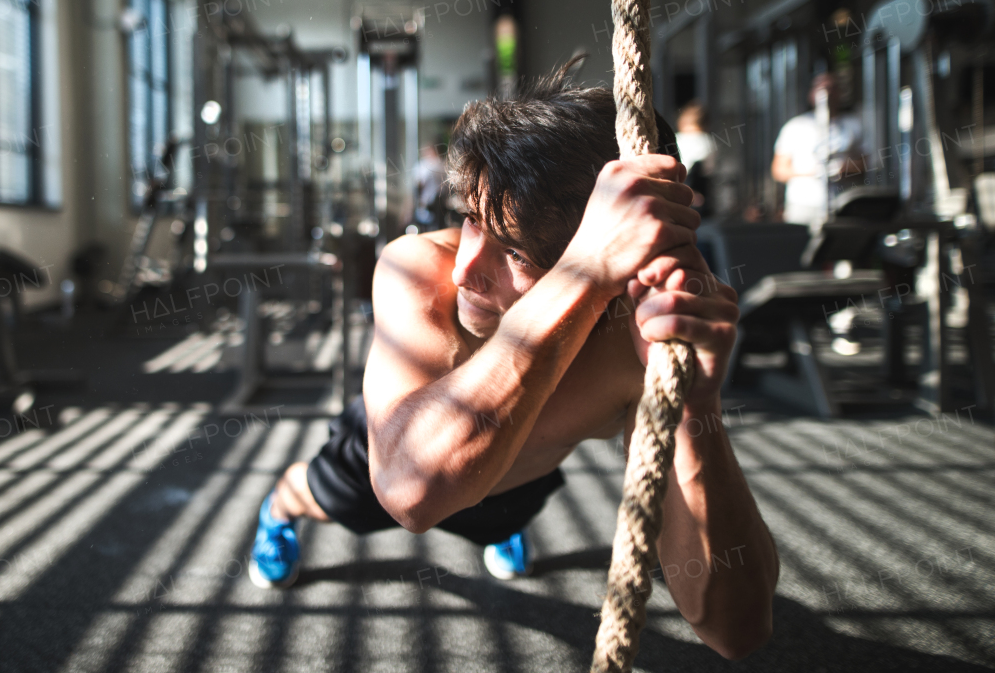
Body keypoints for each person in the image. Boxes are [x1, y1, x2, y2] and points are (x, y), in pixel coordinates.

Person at [249, 60, 778, 660]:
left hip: (517, 482)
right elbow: (410, 493)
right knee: (312, 494)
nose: (467, 267)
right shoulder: (416, 267)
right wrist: (581, 270)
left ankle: (500, 525)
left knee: (500, 516)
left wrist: (694, 406)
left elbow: (734, 630)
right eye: (471, 219)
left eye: (517, 252)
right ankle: (276, 511)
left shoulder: (636, 341)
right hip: (396, 442)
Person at [771, 73, 863, 227]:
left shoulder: (853, 125)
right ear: (811, 94)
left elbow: (868, 163)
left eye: (831, 88)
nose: (826, 94)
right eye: (820, 88)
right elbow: (778, 170)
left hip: (842, 203)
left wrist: (843, 169)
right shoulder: (796, 126)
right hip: (803, 205)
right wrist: (814, 172)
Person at [675, 100, 715, 218]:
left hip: (679, 182)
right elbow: (709, 168)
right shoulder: (708, 141)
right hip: (700, 187)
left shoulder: (677, 139)